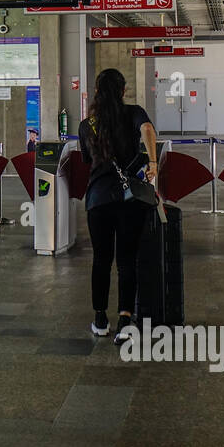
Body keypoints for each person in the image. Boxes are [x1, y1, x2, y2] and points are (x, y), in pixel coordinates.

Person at [79, 68, 158, 343]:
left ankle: (100, 319)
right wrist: (153, 162)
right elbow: (147, 129)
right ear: (123, 91)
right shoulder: (134, 112)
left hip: (98, 199)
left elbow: (87, 161)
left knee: (101, 260)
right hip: (129, 199)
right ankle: (125, 320)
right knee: (126, 261)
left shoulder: (87, 124)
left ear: (97, 92)